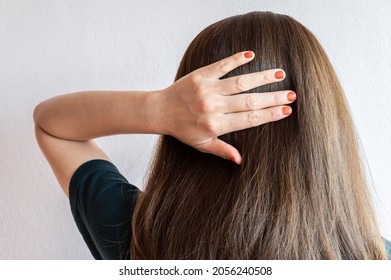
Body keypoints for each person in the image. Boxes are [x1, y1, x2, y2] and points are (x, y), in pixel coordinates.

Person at [34, 11, 391, 259]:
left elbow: (52, 126)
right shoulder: (374, 259)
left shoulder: (137, 241)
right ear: (325, 128)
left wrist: (158, 109)